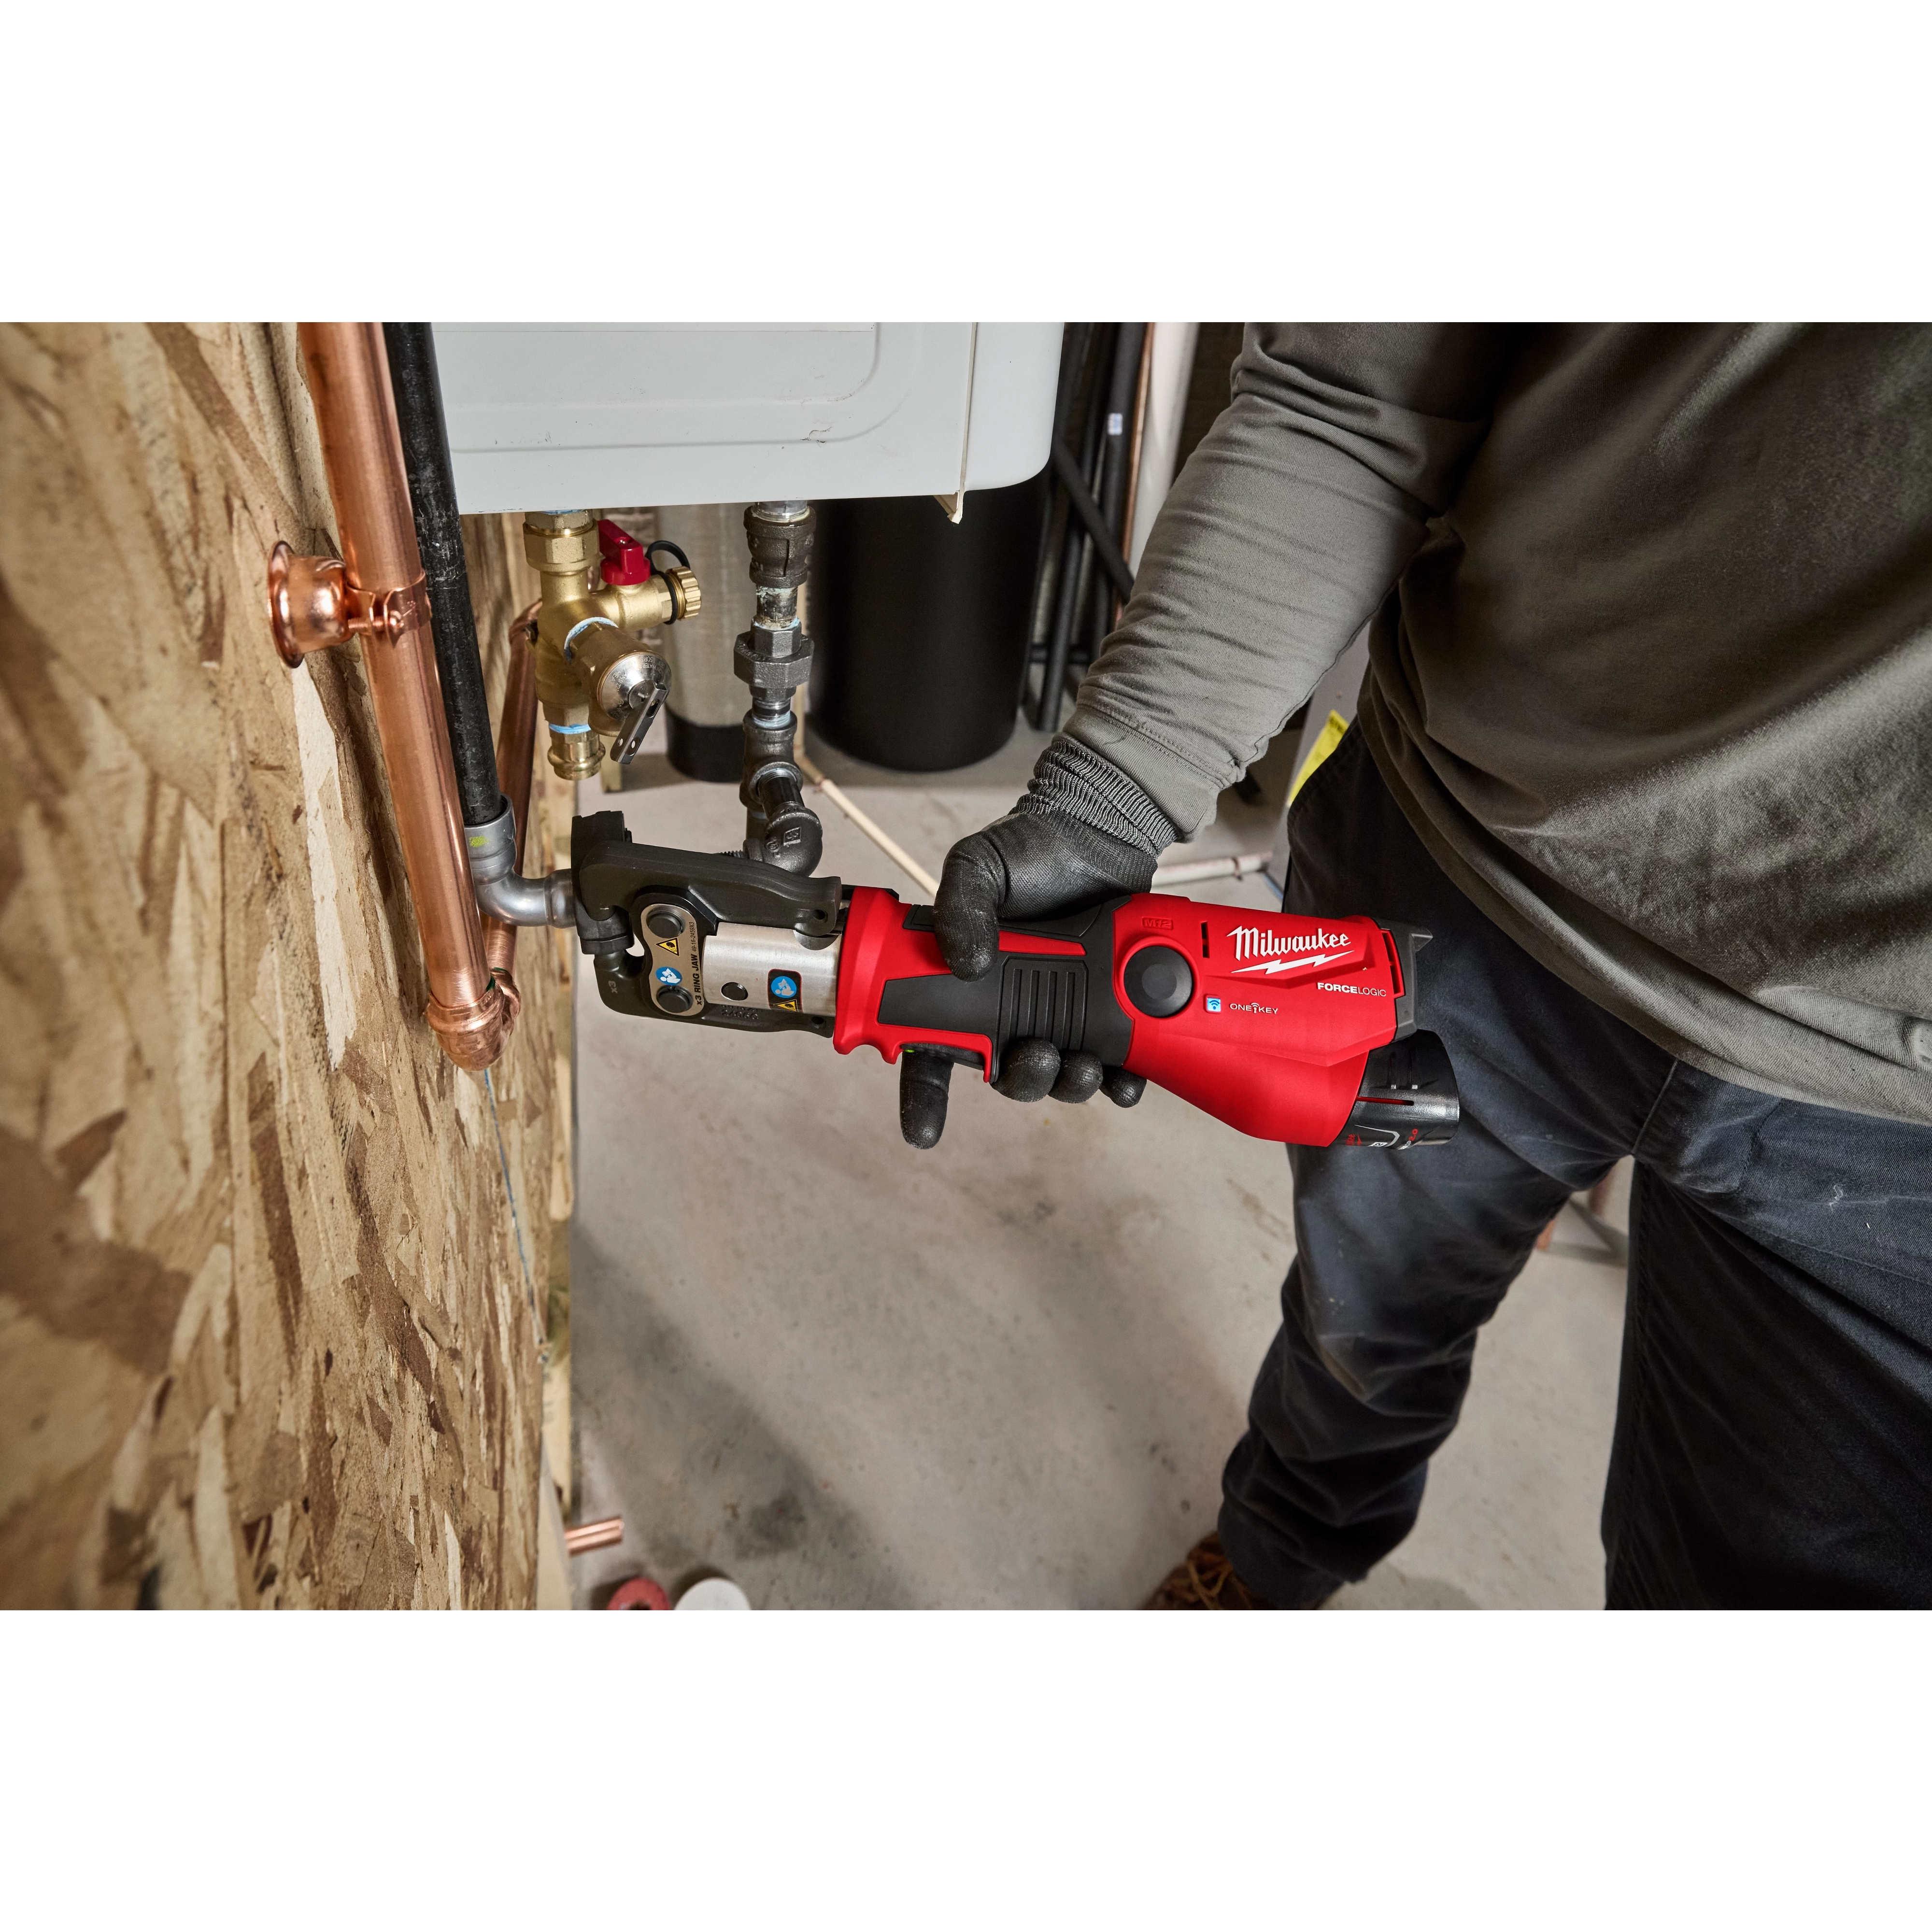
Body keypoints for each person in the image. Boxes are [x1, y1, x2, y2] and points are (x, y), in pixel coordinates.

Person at [922, 323, 1932, 1611]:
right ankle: (1282, 1553)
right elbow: (1356, 393)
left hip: (1894, 1121)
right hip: (1469, 885)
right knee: (1359, 1332)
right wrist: (1118, 791)